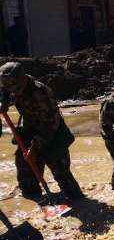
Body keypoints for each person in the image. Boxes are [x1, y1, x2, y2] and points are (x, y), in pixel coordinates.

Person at [0, 62, 84, 202]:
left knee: (60, 170)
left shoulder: (41, 93)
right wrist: (4, 103)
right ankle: (33, 198)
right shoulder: (9, 83)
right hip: (30, 127)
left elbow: (51, 124)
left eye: (15, 87)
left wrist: (35, 148)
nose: (13, 91)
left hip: (53, 132)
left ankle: (79, 203)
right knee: (24, 164)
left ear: (22, 80)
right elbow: (5, 92)